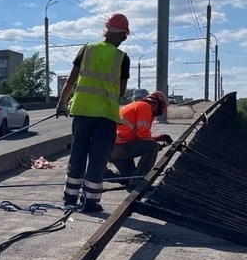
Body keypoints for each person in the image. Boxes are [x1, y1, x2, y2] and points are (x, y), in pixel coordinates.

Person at [55, 13, 131, 214]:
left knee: (77, 155)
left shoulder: (87, 49)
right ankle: (90, 202)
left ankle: (70, 199)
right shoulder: (122, 58)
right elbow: (121, 91)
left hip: (81, 111)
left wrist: (62, 103)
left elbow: (70, 80)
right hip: (105, 115)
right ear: (123, 35)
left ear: (106, 31)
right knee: (98, 159)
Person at [108, 90, 173, 189]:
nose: (155, 114)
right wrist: (155, 144)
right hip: (119, 147)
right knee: (152, 147)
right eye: (158, 110)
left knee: (129, 177)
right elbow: (143, 134)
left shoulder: (136, 105)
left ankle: (108, 175)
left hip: (112, 148)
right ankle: (138, 182)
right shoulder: (145, 107)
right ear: (156, 104)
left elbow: (138, 134)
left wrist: (160, 137)